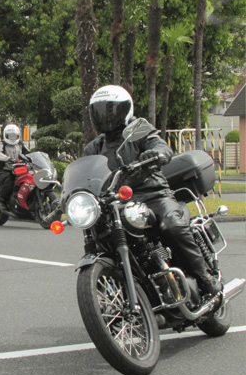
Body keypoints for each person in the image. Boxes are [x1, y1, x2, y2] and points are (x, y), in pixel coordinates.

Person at [84, 84, 222, 296]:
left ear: (124, 109)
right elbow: (85, 174)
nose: (105, 116)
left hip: (153, 195)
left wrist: (155, 154)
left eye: (110, 110)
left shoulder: (138, 129)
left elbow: (160, 146)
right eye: (100, 111)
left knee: (171, 225)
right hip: (116, 205)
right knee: (99, 240)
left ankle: (205, 276)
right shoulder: (94, 147)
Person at [0, 123, 30, 210]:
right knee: (9, 181)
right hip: (4, 170)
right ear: (6, 136)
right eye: (10, 136)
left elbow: (29, 153)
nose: (12, 138)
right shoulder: (1, 144)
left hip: (19, 169)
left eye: (14, 136)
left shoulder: (21, 144)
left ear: (18, 136)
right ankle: (0, 200)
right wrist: (8, 159)